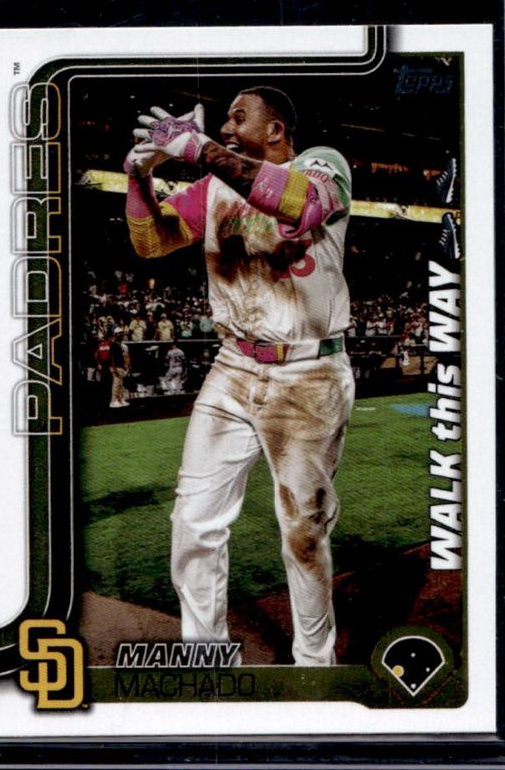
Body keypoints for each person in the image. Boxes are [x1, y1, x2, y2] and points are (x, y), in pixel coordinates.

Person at [124, 86, 355, 665]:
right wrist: (138, 177)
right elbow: (150, 241)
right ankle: (205, 654)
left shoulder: (321, 163)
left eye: (238, 116)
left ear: (275, 130)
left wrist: (198, 148)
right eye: (224, 118)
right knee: (193, 518)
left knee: (303, 532)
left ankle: (314, 664)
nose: (226, 125)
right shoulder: (214, 187)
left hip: (307, 373)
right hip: (232, 367)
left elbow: (303, 205)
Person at [109, 327, 131, 408]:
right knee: (116, 384)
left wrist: (126, 365)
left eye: (122, 333)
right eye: (119, 333)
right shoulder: (113, 344)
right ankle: (113, 400)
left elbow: (124, 357)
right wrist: (114, 367)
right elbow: (112, 357)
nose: (121, 334)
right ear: (115, 335)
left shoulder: (120, 345)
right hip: (116, 367)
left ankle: (120, 399)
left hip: (121, 366)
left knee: (121, 384)